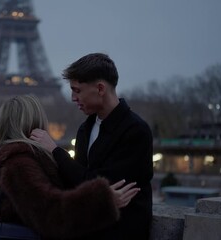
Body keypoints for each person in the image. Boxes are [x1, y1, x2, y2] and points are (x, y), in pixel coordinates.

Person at [30, 53, 154, 240]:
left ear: (100, 88)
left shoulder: (136, 131)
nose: (73, 98)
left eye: (77, 90)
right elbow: (82, 186)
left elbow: (98, 183)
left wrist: (55, 151)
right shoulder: (84, 129)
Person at [0, 94, 140, 239]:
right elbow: (51, 213)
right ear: (34, 122)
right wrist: (102, 201)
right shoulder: (19, 164)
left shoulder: (18, 159)